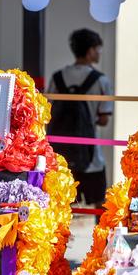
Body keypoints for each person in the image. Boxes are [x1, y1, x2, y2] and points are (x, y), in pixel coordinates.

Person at [47, 29, 113, 209]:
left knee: (59, 203)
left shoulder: (57, 77)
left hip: (61, 152)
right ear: (91, 50)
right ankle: (103, 236)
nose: (99, 52)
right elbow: (104, 119)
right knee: (100, 204)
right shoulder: (101, 80)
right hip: (90, 155)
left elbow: (48, 110)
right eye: (98, 48)